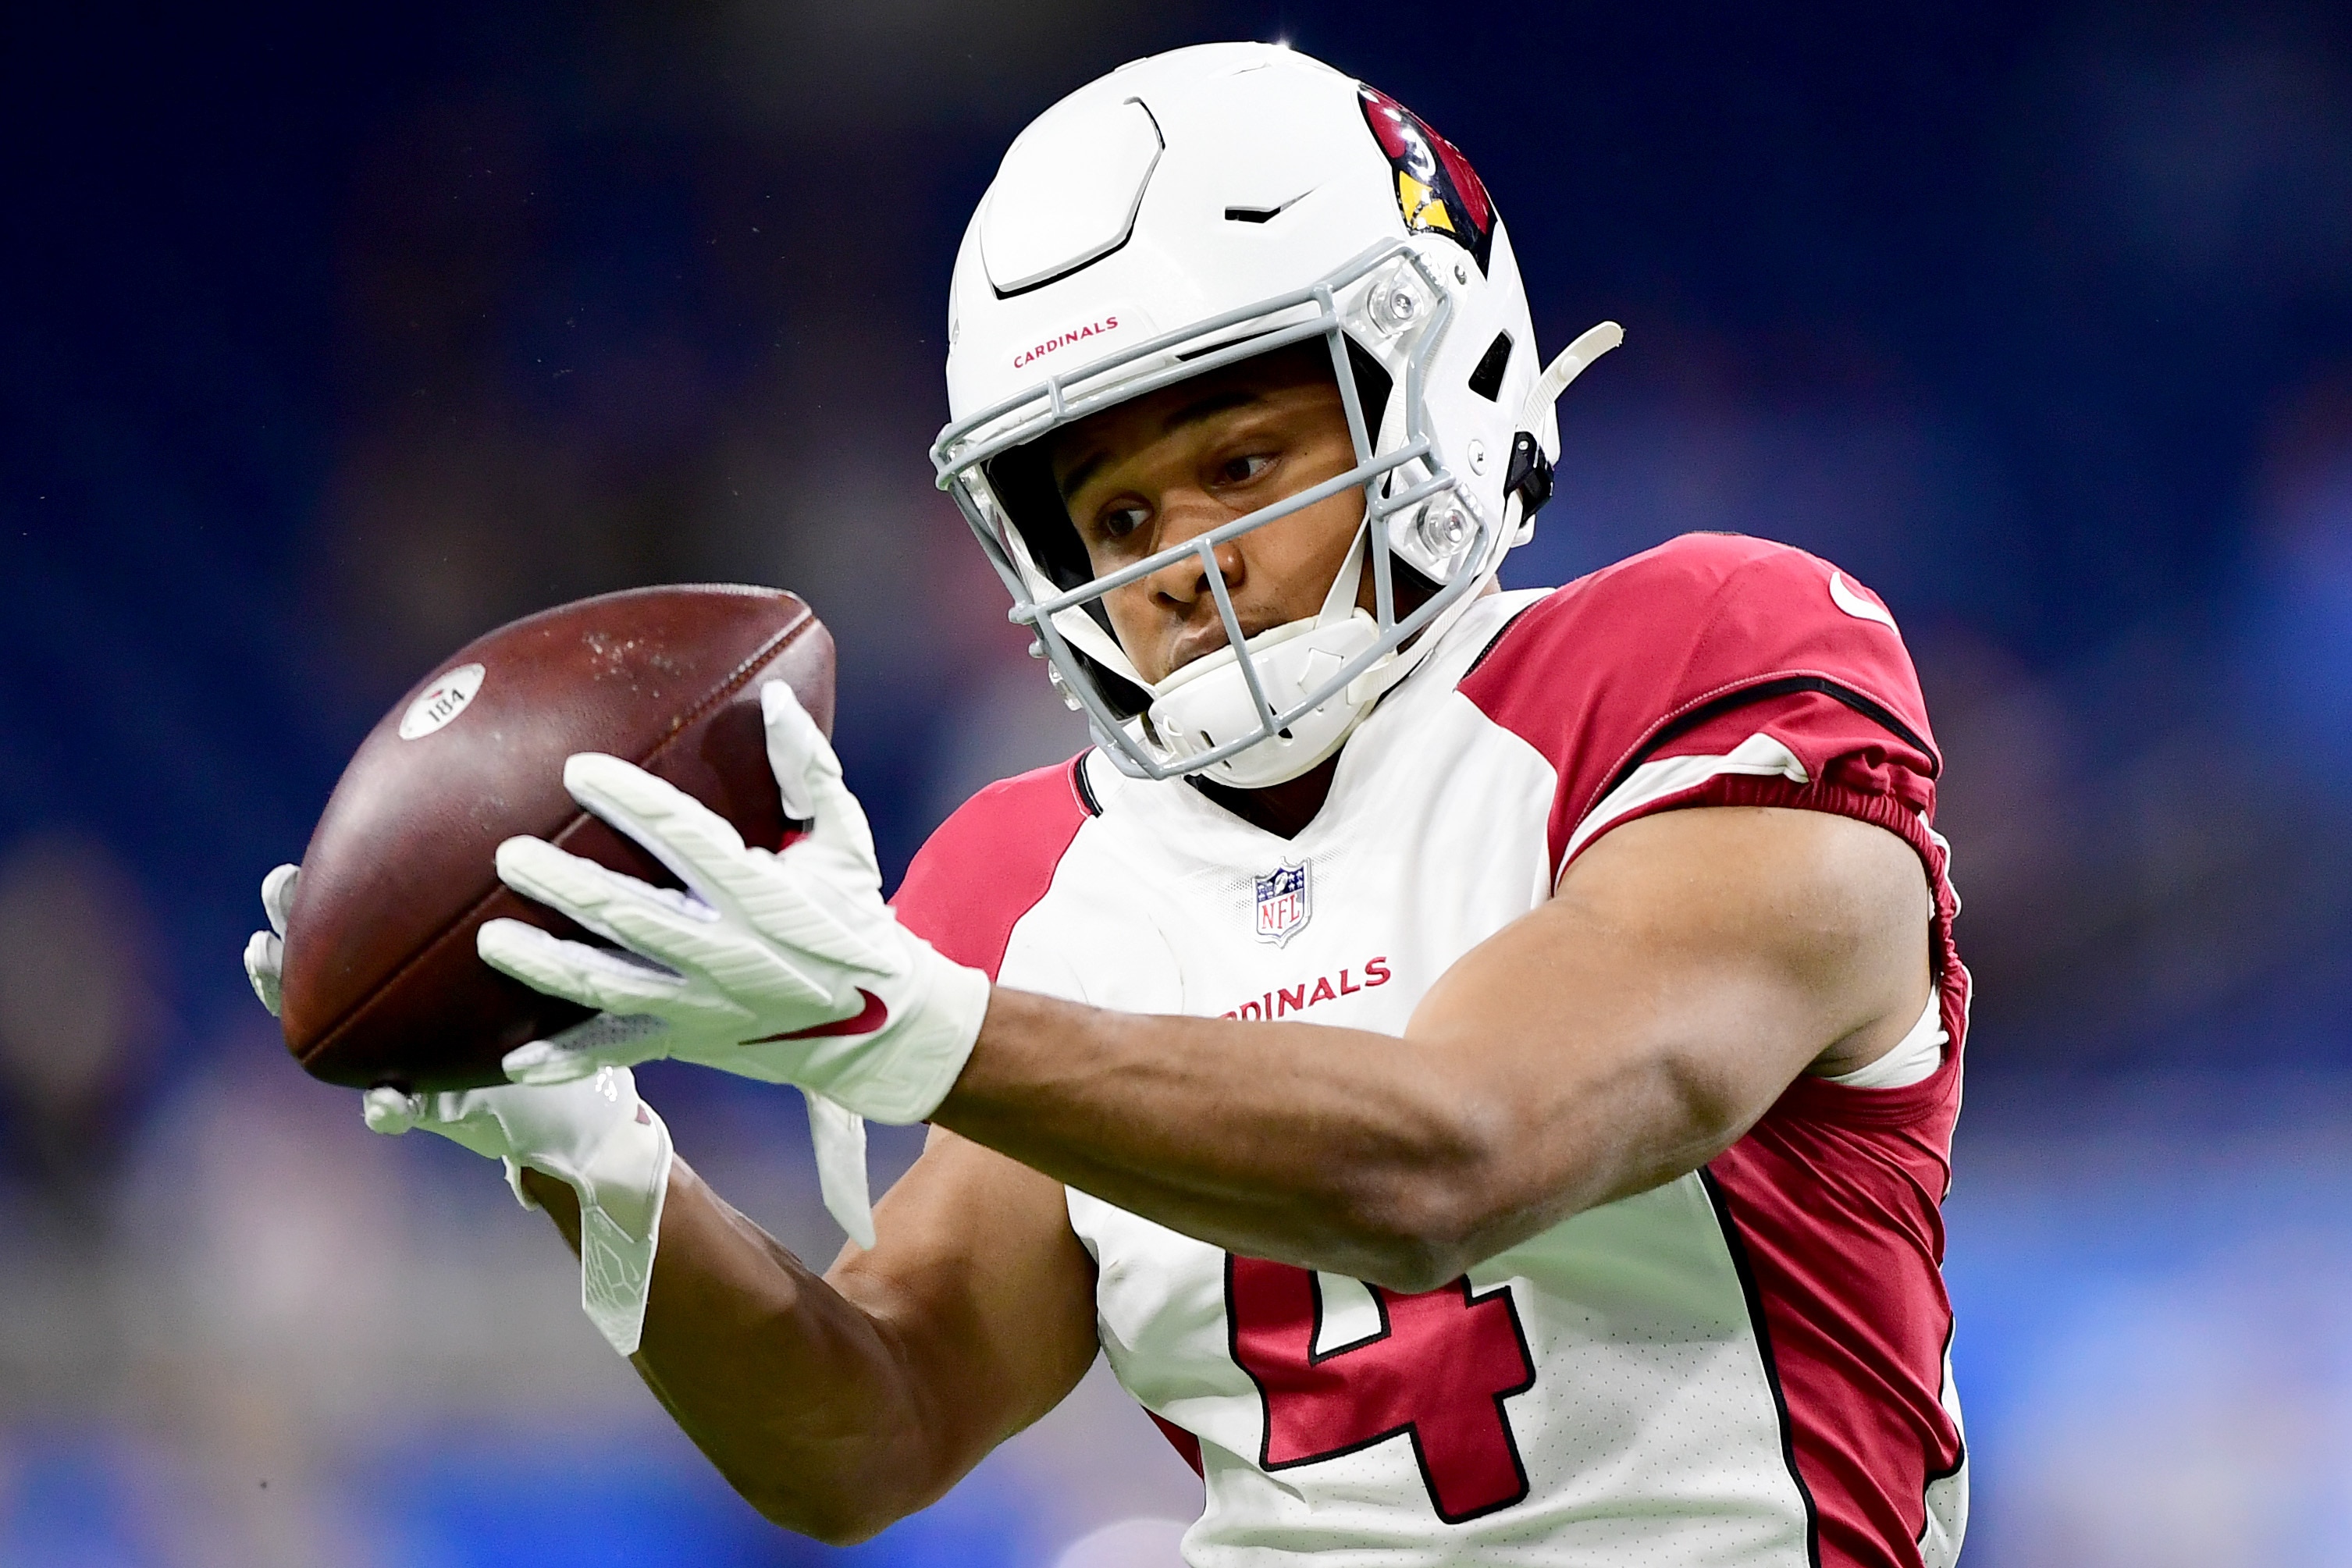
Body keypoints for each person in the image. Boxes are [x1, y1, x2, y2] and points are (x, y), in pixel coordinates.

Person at [246, 41, 1967, 1567]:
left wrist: (905, 1026)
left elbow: (1466, 1151)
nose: (1181, 563)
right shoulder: (1031, 873)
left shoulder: (1705, 658)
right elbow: (872, 1428)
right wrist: (594, 1163)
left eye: (1239, 466)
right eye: (1118, 520)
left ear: (1441, 380)